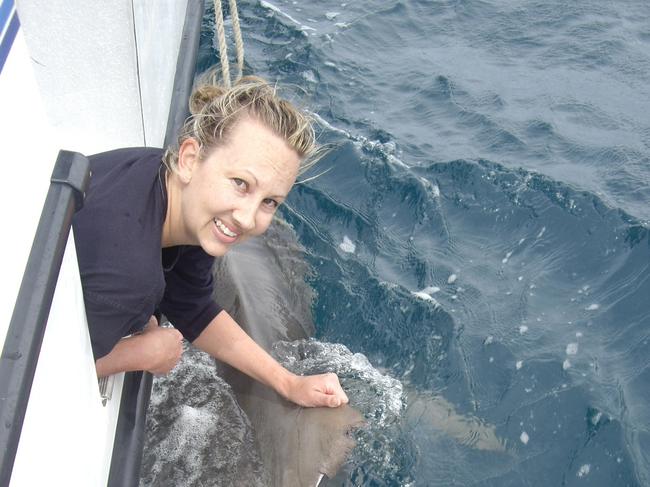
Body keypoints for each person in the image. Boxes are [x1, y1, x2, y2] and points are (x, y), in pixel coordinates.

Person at [73, 75, 348, 408]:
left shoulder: (163, 182)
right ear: (190, 158)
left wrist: (289, 383)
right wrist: (142, 353)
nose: (247, 218)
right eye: (240, 183)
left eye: (269, 202)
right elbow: (43, 368)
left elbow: (194, 308)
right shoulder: (131, 277)